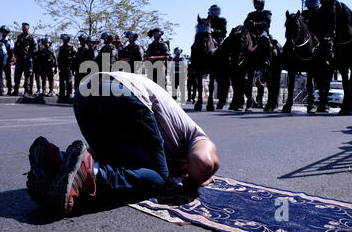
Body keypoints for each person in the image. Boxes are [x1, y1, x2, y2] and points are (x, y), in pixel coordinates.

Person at [26, 71, 220, 217]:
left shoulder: (157, 150)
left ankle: (55, 162)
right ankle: (92, 173)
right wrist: (197, 179)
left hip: (84, 93)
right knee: (157, 179)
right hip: (124, 93)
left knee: (116, 166)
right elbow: (205, 162)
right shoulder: (196, 136)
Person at [244, 0, 273, 68]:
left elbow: (266, 23)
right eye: (255, 3)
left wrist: (254, 24)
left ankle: (266, 59)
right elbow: (245, 23)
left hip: (262, 31)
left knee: (265, 38)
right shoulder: (251, 14)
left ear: (262, 4)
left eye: (258, 3)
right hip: (252, 32)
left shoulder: (267, 13)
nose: (256, 4)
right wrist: (248, 23)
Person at [12, 23, 38, 97]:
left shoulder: (32, 37)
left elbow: (35, 49)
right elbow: (16, 47)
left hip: (27, 60)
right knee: (17, 75)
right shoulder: (19, 37)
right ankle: (15, 90)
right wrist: (16, 55)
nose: (23, 29)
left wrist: (29, 56)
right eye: (23, 28)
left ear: (28, 28)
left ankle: (26, 91)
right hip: (20, 59)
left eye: (25, 28)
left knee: (27, 76)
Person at [57, 34, 76, 102]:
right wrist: (59, 66)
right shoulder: (61, 48)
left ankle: (69, 95)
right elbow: (58, 57)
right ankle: (62, 95)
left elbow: (75, 57)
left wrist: (73, 67)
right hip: (62, 67)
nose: (63, 41)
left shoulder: (72, 47)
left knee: (69, 82)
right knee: (62, 82)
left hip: (69, 67)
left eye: (64, 39)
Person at [0, 25, 15, 96]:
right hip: (0, 58)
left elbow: (12, 50)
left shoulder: (9, 41)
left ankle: (9, 90)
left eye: (4, 31)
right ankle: (0, 90)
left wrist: (12, 60)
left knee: (8, 75)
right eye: (2, 31)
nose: (3, 33)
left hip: (8, 59)